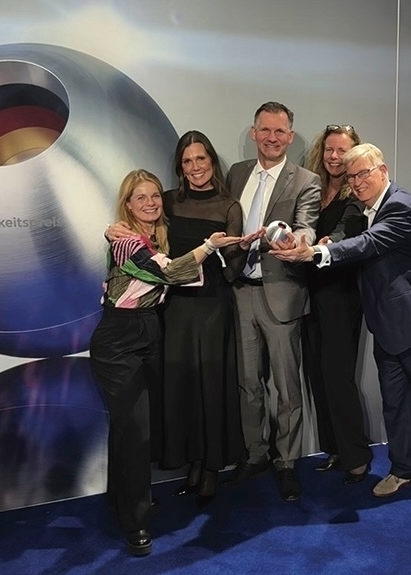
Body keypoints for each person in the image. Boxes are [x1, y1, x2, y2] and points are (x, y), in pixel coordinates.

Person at [270, 143, 411, 509]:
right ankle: (401, 471)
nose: (357, 182)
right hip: (387, 325)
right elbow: (352, 240)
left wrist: (316, 253)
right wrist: (321, 243)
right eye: (351, 176)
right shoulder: (364, 210)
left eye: (363, 173)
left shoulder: (402, 206)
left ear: (383, 171)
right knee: (395, 405)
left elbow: (368, 244)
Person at [89, 169, 243, 556]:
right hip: (119, 339)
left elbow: (178, 276)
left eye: (155, 196)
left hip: (148, 332)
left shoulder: (150, 238)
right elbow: (171, 273)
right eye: (140, 197)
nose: (151, 203)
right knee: (135, 432)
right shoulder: (126, 241)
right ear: (127, 204)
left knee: (129, 427)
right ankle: (136, 523)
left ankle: (121, 499)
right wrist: (210, 245)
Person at [223, 101, 321, 502]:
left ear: (291, 136)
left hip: (282, 294)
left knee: (286, 386)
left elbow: (307, 226)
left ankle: (287, 462)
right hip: (240, 291)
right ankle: (256, 454)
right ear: (254, 133)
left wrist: (298, 241)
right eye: (265, 130)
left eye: (280, 131)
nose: (272, 138)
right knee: (248, 383)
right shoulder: (236, 173)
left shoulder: (306, 180)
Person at [154, 131, 246, 508]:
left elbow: (233, 270)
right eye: (187, 161)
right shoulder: (167, 202)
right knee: (182, 386)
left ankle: (210, 468)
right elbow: (150, 243)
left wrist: (239, 249)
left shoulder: (229, 206)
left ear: (212, 161)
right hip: (174, 307)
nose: (195, 167)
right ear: (180, 166)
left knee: (211, 385)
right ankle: (190, 462)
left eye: (201, 159)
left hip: (212, 306)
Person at [302, 125, 373, 484]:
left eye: (342, 151)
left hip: (341, 296)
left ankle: (356, 456)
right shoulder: (313, 190)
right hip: (309, 293)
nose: (334, 157)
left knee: (337, 376)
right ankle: (334, 449)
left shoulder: (355, 194)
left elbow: (347, 232)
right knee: (317, 374)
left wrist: (327, 245)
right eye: (329, 150)